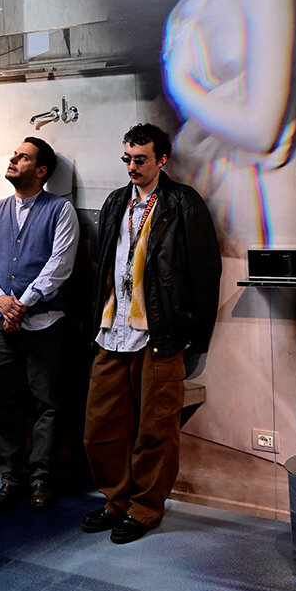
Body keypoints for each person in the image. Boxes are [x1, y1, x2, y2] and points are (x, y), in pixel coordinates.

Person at [146, 0, 296, 252]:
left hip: (269, 197)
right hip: (213, 197)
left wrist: (182, 87)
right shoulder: (181, 14)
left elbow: (262, 131)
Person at [82, 123, 221, 543]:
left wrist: (197, 336)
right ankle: (116, 500)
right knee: (100, 427)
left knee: (156, 429)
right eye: (127, 158)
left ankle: (145, 508)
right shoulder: (115, 201)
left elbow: (205, 272)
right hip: (112, 329)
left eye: (141, 159)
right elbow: (102, 266)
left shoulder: (183, 202)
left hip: (160, 333)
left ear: (162, 159)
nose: (132, 166)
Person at [0, 137, 80, 511]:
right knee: (2, 405)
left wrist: (23, 304)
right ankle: (11, 478)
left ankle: (41, 480)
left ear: (41, 170)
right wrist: (1, 301)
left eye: (22, 157)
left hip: (43, 325)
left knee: (46, 405)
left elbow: (60, 265)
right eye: (14, 154)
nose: (13, 159)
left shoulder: (60, 210)